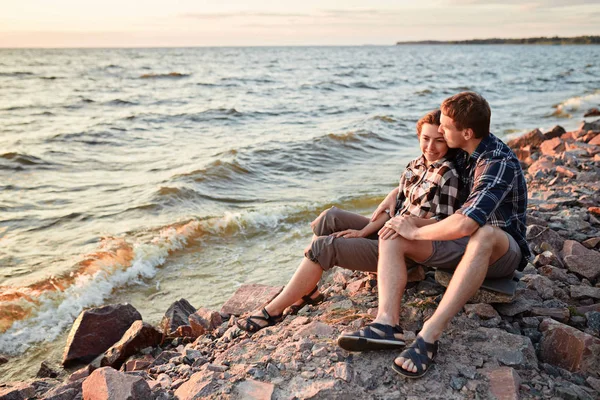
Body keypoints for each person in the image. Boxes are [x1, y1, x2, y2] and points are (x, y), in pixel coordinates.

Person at [338, 91, 530, 379]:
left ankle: (429, 335)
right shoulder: (463, 149)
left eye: (445, 126)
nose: (439, 130)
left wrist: (415, 232)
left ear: (466, 132)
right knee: (396, 228)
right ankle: (387, 323)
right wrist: (396, 197)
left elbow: (466, 224)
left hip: (502, 250)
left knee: (484, 234)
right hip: (462, 241)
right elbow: (424, 172)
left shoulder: (496, 162)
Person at [236, 109, 462, 333]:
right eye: (425, 139)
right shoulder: (414, 165)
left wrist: (407, 225)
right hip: (387, 231)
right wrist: (364, 231)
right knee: (330, 217)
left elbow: (443, 223)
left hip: (405, 248)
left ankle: (272, 311)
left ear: (449, 142)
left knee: (323, 246)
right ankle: (308, 290)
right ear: (418, 137)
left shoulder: (448, 174)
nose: (431, 147)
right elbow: (393, 209)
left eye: (439, 141)